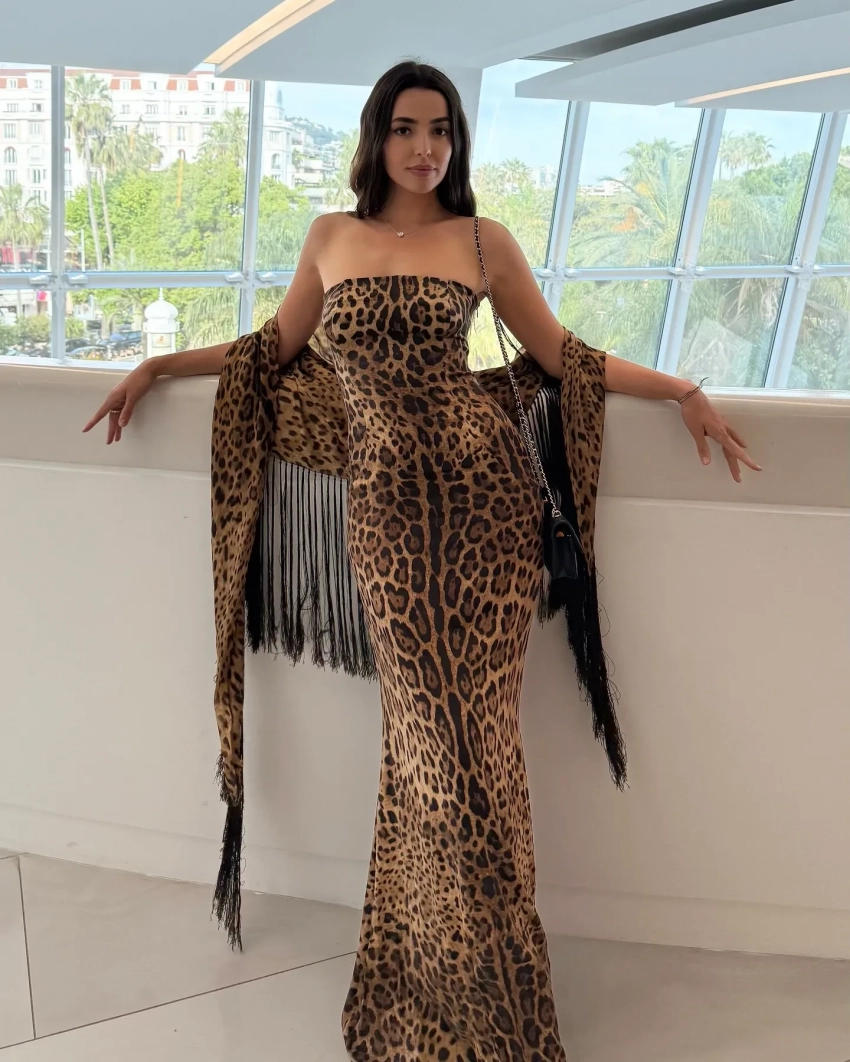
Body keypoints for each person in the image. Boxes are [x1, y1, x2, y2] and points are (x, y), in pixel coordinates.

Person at [84, 60, 760, 1062]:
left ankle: (496, 1009)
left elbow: (563, 356)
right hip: (389, 524)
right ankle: (417, 988)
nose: (424, 147)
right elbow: (270, 351)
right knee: (422, 750)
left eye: (440, 129)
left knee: (479, 750)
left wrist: (682, 390)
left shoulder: (483, 242)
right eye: (405, 128)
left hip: (487, 512)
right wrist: (157, 363)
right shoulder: (331, 237)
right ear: (376, 137)